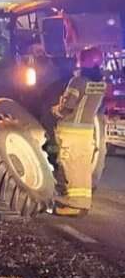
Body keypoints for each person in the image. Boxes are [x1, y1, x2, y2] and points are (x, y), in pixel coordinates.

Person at [52, 47, 107, 216]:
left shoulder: (77, 82)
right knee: (82, 168)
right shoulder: (100, 85)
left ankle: (74, 205)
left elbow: (68, 106)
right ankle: (83, 202)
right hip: (86, 131)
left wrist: (55, 110)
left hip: (71, 131)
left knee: (72, 166)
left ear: (83, 62)